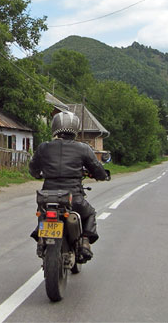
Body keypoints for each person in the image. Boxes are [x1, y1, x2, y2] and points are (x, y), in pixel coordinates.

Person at [29, 111, 110, 261]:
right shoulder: (83, 148)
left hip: (48, 196)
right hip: (74, 197)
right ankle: (85, 242)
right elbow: (97, 168)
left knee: (43, 213)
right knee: (90, 213)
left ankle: (41, 239)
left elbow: (33, 168)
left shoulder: (44, 147)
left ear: (55, 127)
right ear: (76, 128)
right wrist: (102, 175)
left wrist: (37, 174)